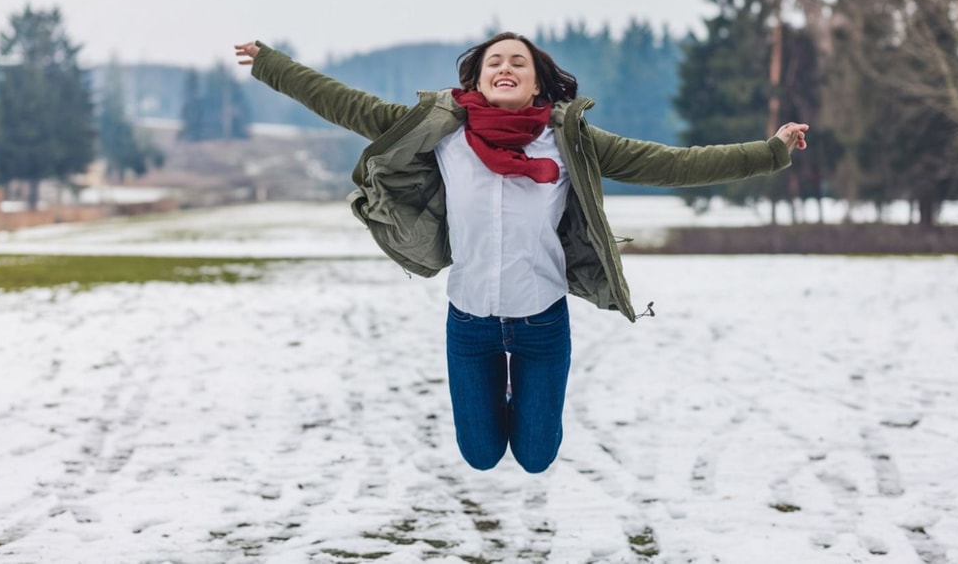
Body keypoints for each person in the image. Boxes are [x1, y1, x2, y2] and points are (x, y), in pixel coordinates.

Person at [234, 33, 808, 474]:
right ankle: (499, 399)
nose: (505, 67)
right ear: (478, 81)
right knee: (480, 456)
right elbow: (346, 104)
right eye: (494, 63)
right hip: (470, 324)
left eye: (518, 62)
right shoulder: (440, 133)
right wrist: (270, 64)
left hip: (542, 325)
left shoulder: (568, 140)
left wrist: (770, 152)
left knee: (535, 456)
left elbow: (672, 163)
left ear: (537, 84)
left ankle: (528, 401)